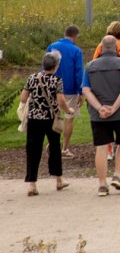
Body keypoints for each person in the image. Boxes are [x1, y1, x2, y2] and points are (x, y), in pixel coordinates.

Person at [83, 35, 120, 196]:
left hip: (99, 115)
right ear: (116, 47)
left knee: (101, 147)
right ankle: (117, 175)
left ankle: (102, 185)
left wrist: (99, 108)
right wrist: (114, 107)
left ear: (101, 47)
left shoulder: (90, 66)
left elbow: (85, 90)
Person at [20, 50, 68, 196]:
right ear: (56, 66)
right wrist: (68, 109)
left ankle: (32, 185)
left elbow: (23, 97)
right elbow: (60, 100)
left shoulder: (32, 78)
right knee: (54, 148)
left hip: (34, 119)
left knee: (33, 150)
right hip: (51, 119)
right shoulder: (57, 80)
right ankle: (59, 179)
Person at [46, 25, 84, 159]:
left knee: (54, 117)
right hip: (70, 88)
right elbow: (79, 72)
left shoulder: (52, 47)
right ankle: (64, 148)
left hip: (51, 86)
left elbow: (45, 66)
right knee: (69, 118)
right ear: (75, 36)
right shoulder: (76, 50)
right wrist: (81, 91)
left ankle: (52, 143)